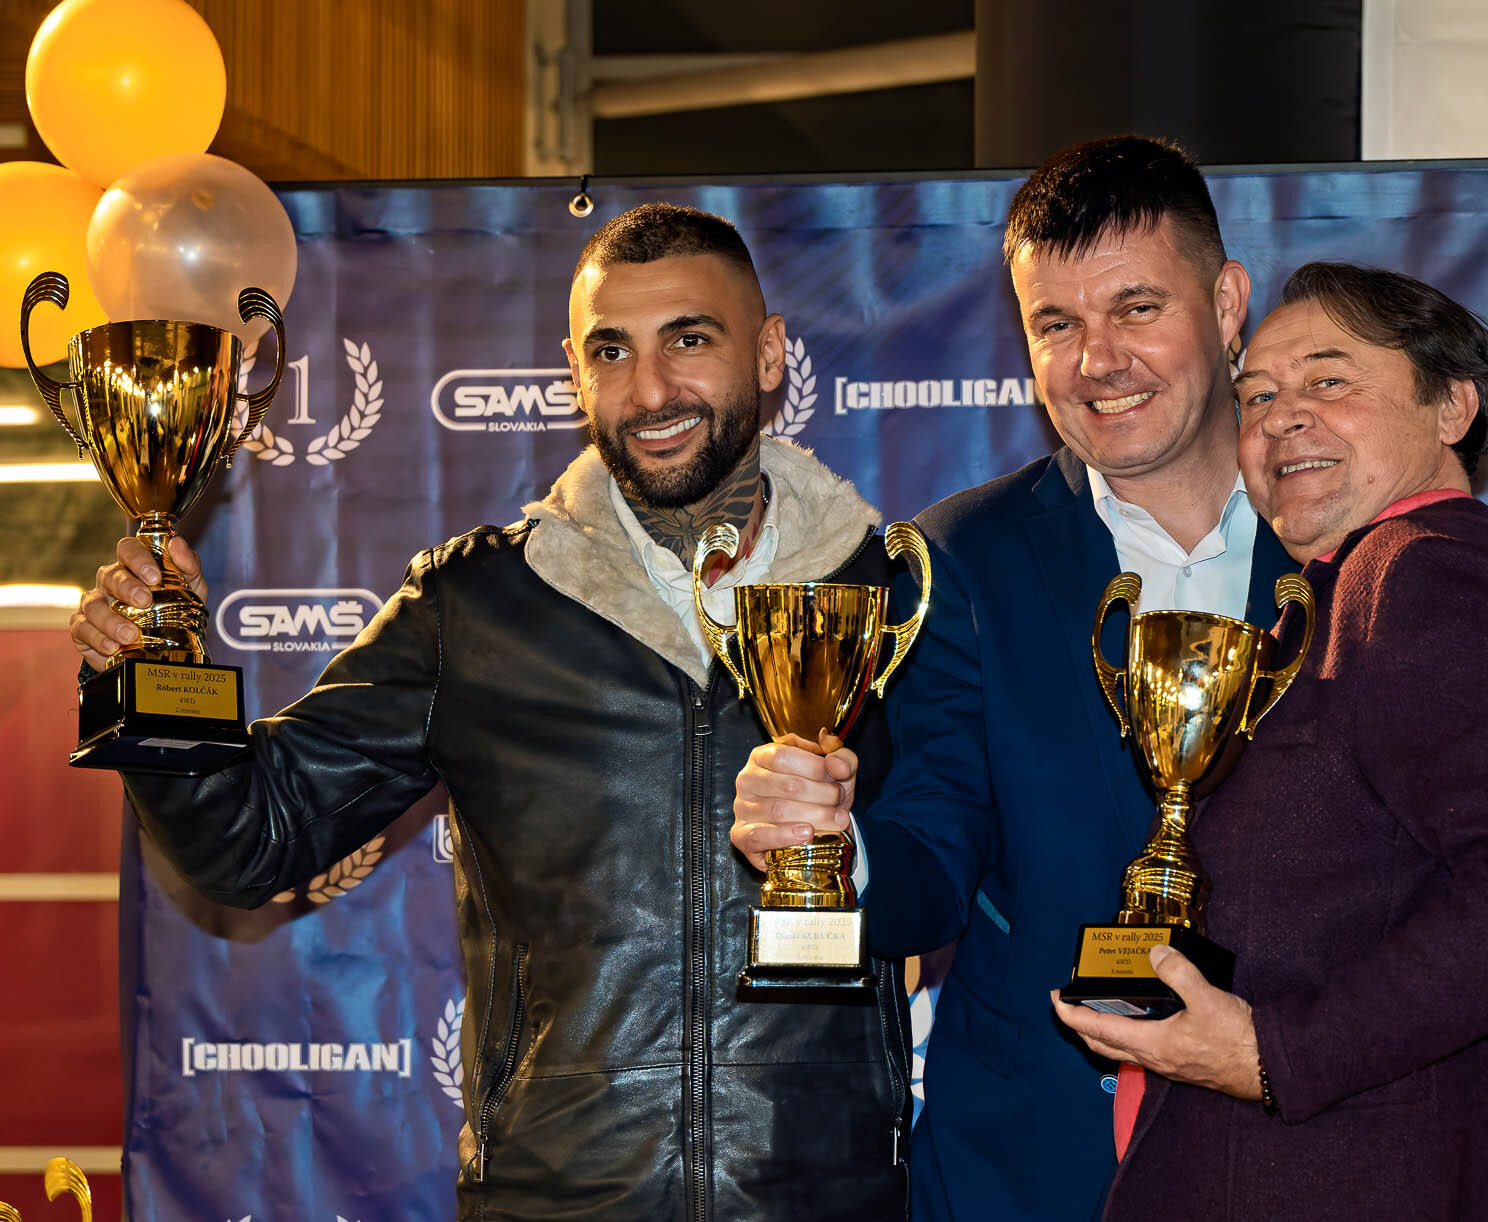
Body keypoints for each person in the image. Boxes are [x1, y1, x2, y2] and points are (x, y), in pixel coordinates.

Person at [732, 137, 1488, 1220]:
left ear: (1225, 303)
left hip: (1308, 1148)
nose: (1098, 359)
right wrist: (831, 849)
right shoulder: (959, 555)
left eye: (1137, 308)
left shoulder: (1355, 527)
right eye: (1055, 325)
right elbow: (934, 844)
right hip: (1033, 1159)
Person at [69, 205, 911, 1221]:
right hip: (554, 1200)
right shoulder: (475, 608)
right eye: (612, 351)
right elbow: (251, 841)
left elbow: (961, 866)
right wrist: (157, 686)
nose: (650, 391)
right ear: (572, 373)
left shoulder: (891, 595)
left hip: (827, 1199)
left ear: (770, 353)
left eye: (689, 340)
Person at [1055, 261, 1488, 1220]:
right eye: (1257, 396)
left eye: (1329, 381)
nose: (1282, 418)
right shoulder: (1343, 595)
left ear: (1452, 406)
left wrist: (1276, 1053)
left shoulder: (1426, 576)